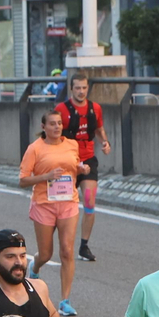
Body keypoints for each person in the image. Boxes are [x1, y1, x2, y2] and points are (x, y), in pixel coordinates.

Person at [18, 110, 83, 313]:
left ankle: (65, 301)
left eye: (59, 123)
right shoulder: (35, 149)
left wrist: (81, 170)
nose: (57, 127)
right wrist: (46, 176)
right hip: (44, 204)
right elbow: (23, 180)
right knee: (46, 253)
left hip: (68, 202)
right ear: (43, 127)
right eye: (52, 124)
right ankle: (35, 267)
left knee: (67, 250)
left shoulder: (72, 145)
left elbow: (74, 166)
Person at [53, 73, 111, 272]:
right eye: (77, 88)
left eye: (84, 88)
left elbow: (99, 129)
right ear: (72, 89)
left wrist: (104, 142)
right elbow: (52, 133)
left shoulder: (95, 109)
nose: (81, 91)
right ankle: (59, 241)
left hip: (88, 159)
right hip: (68, 161)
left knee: (89, 199)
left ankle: (84, 245)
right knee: (61, 204)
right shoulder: (61, 110)